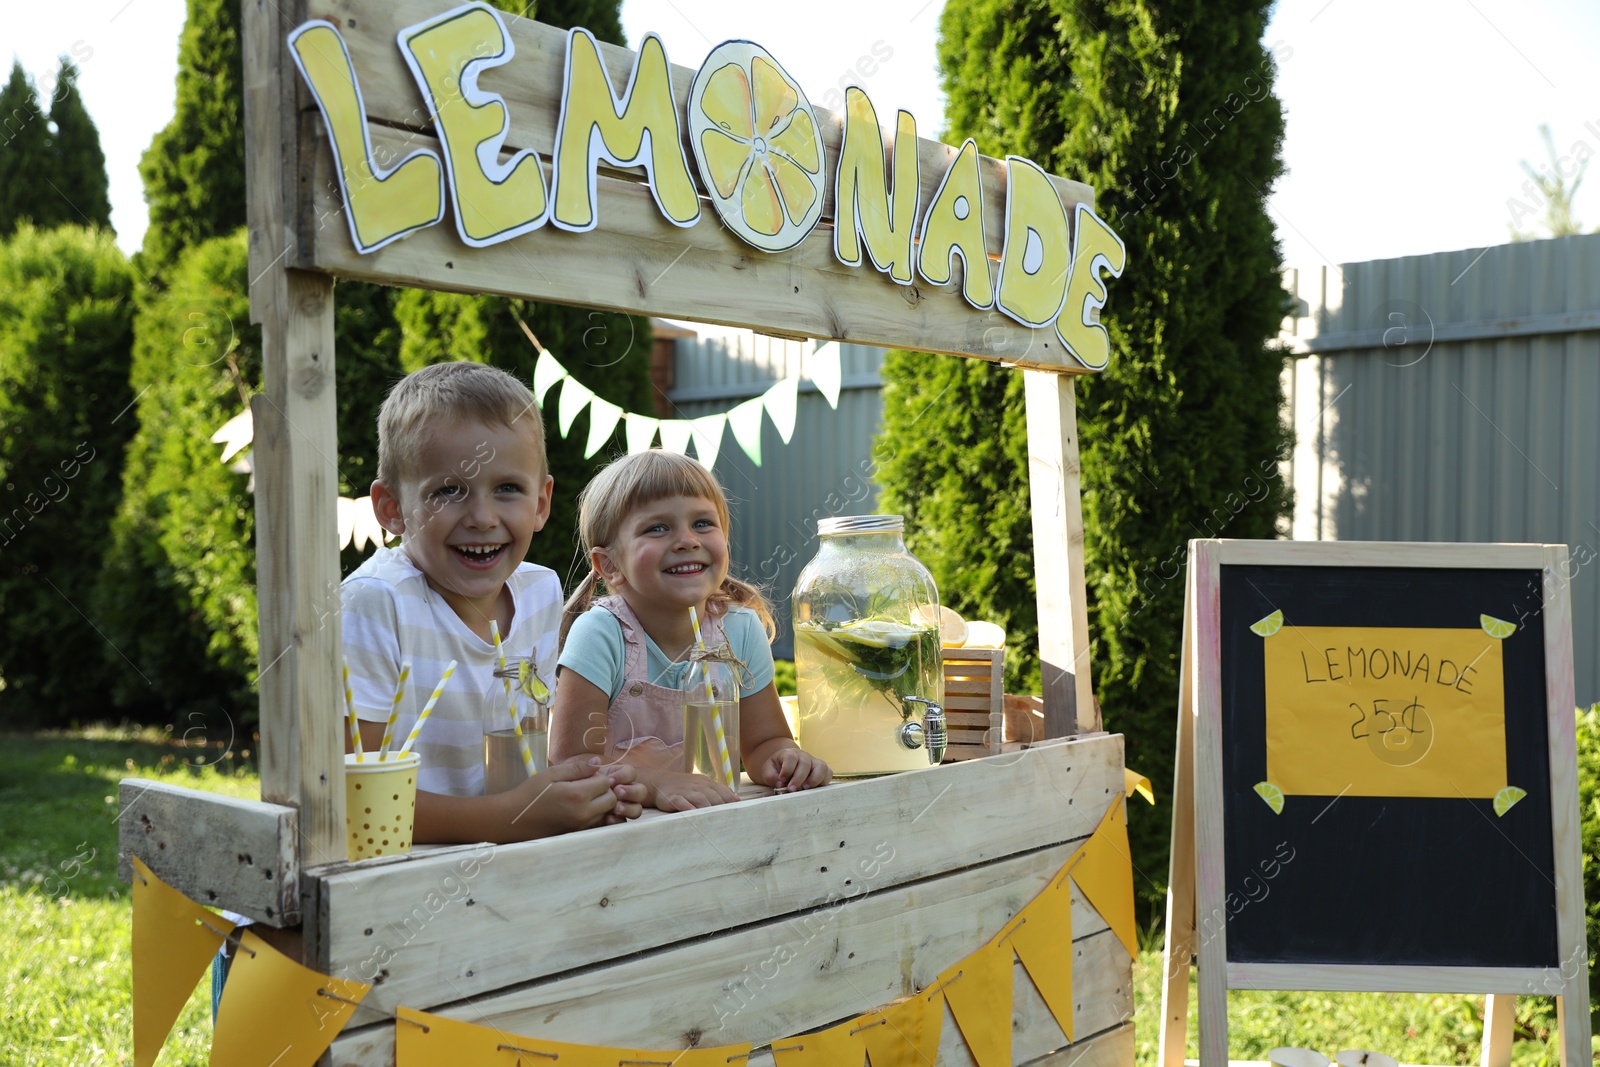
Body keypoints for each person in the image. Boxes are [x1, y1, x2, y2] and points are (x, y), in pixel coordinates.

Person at [344, 361, 647, 842]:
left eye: (507, 488)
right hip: (395, 885)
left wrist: (588, 793)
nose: (482, 517)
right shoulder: (375, 605)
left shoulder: (540, 592)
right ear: (392, 509)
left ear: (541, 503)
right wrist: (515, 817)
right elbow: (350, 801)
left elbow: (526, 762)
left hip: (510, 870)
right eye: (448, 491)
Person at [549, 449, 831, 811]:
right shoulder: (601, 634)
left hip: (714, 827)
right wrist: (653, 784)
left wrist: (787, 761)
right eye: (657, 528)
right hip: (617, 840)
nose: (687, 540)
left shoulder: (740, 631)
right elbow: (569, 768)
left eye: (702, 524)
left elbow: (765, 743)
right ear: (610, 565)